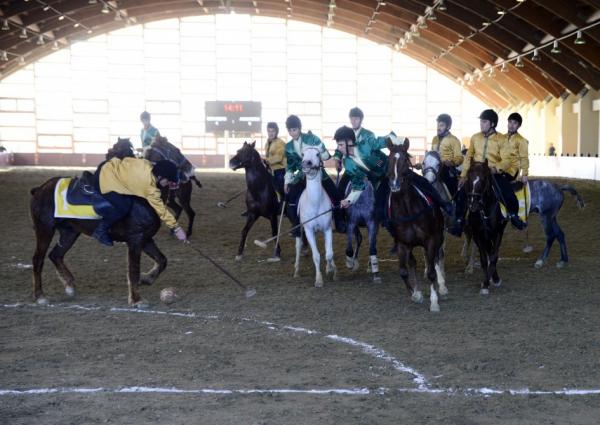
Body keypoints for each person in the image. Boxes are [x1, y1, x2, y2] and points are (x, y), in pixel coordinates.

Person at [451, 109, 526, 236]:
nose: (481, 124)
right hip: (475, 173)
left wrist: (496, 168)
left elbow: (507, 160)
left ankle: (514, 216)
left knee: (507, 193)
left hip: (492, 173)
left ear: (492, 124)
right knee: (461, 194)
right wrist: (463, 176)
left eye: (484, 122)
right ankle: (459, 221)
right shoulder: (475, 137)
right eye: (481, 121)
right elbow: (469, 156)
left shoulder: (501, 139)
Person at [91, 157, 186, 246]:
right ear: (160, 176)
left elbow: (127, 159)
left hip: (108, 165)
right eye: (168, 181)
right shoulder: (150, 188)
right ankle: (100, 230)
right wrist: (176, 228)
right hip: (105, 180)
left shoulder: (146, 163)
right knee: (123, 206)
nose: (167, 184)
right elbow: (162, 210)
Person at [284, 114, 345, 236]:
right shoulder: (289, 147)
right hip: (301, 176)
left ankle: (339, 222)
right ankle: (296, 226)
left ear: (300, 128)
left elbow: (326, 155)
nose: (293, 133)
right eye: (290, 130)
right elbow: (291, 166)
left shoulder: (312, 139)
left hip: (318, 175)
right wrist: (287, 181)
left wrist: (319, 153)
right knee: (290, 198)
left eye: (294, 129)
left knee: (336, 194)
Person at [333, 125, 390, 229]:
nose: (338, 148)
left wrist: (401, 143)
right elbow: (358, 185)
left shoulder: (367, 144)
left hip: (392, 170)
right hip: (379, 180)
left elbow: (387, 139)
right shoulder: (348, 163)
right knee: (380, 207)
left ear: (349, 142)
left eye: (340, 145)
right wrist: (348, 200)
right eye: (338, 145)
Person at [419, 113, 463, 196]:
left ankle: (452, 205)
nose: (438, 128)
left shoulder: (454, 140)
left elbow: (460, 158)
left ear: (448, 127)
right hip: (434, 168)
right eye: (438, 125)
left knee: (452, 190)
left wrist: (452, 162)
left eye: (442, 125)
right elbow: (432, 155)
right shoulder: (434, 139)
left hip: (447, 170)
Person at [264, 122, 286, 202]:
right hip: (271, 171)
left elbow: (279, 157)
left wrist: (266, 160)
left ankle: (285, 205)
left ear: (276, 131)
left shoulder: (281, 143)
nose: (271, 133)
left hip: (280, 170)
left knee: (280, 189)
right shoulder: (267, 143)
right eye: (269, 131)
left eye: (273, 131)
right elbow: (267, 156)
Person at [505, 112, 529, 184]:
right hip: (501, 168)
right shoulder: (501, 138)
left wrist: (524, 174)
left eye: (515, 123)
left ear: (519, 126)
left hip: (512, 171)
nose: (511, 125)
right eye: (510, 122)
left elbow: (524, 158)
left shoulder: (522, 140)